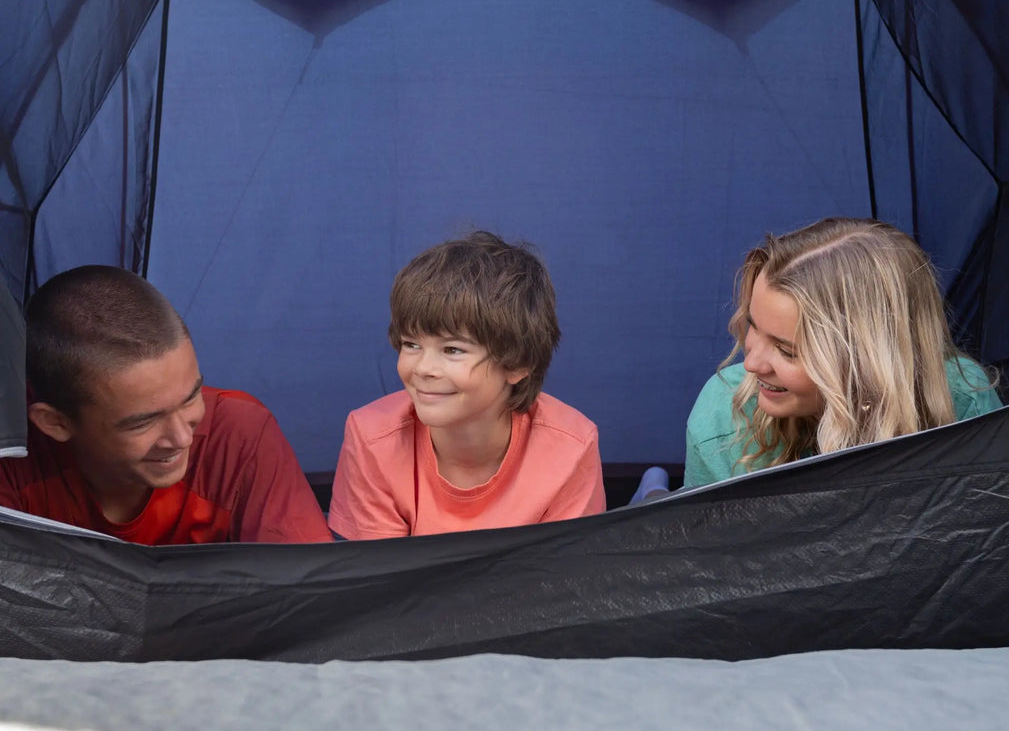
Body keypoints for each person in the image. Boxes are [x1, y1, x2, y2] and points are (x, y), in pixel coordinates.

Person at [0, 265, 332, 544]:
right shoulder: (12, 459)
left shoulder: (237, 433)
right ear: (55, 423)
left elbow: (315, 598)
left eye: (191, 397)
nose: (182, 438)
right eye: (142, 422)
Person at [682, 217, 1002, 488]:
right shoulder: (724, 420)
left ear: (868, 360)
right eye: (752, 326)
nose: (751, 363)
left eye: (787, 351)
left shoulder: (961, 403)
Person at [329, 231, 606, 539]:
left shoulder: (571, 447)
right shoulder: (371, 438)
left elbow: (561, 577)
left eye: (452, 350)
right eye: (411, 344)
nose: (422, 368)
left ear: (516, 364)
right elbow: (383, 579)